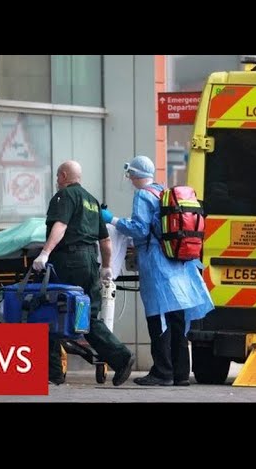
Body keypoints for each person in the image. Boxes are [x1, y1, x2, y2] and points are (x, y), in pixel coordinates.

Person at [102, 155, 214, 386]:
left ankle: (162, 372)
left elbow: (140, 230)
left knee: (158, 318)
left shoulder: (143, 195)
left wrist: (113, 220)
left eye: (130, 175)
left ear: (134, 175)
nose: (129, 179)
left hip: (157, 265)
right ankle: (181, 374)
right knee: (177, 319)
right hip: (178, 264)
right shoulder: (163, 192)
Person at [32, 160, 135, 386]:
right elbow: (105, 240)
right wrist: (106, 266)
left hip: (67, 261)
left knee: (48, 310)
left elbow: (60, 226)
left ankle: (53, 371)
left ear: (64, 175)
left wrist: (45, 253)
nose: (57, 181)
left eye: (58, 176)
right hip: (89, 261)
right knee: (88, 315)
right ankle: (120, 358)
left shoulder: (64, 196)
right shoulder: (92, 201)